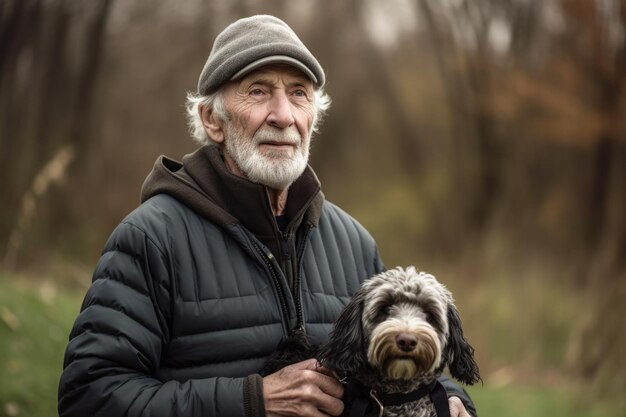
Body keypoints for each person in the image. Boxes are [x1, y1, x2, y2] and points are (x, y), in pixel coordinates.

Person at [58, 14, 476, 417]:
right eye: (258, 91)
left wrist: (450, 397)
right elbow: (90, 396)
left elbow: (393, 355)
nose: (283, 115)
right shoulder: (151, 238)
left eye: (298, 93)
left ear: (314, 115)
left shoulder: (353, 242)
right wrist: (252, 400)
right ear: (212, 120)